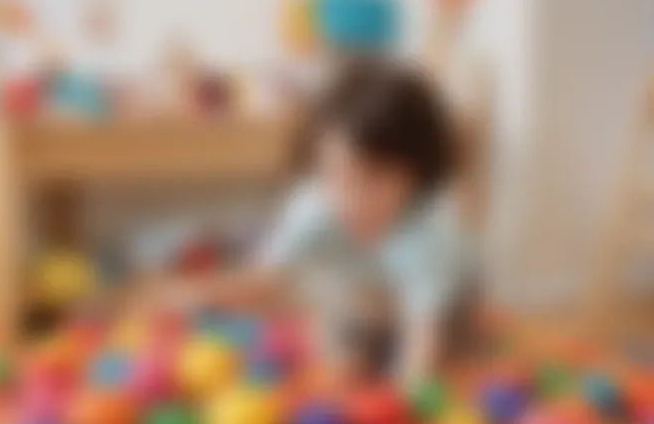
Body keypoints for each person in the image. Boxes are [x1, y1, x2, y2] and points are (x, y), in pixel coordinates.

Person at [162, 58, 477, 384]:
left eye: (372, 177)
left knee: (448, 358)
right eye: (332, 175)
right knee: (340, 358)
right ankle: (365, 340)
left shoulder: (426, 233)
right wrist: (203, 293)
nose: (349, 197)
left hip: (445, 307)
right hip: (363, 301)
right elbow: (266, 279)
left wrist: (404, 397)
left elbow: (423, 337)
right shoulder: (313, 208)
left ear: (416, 174)